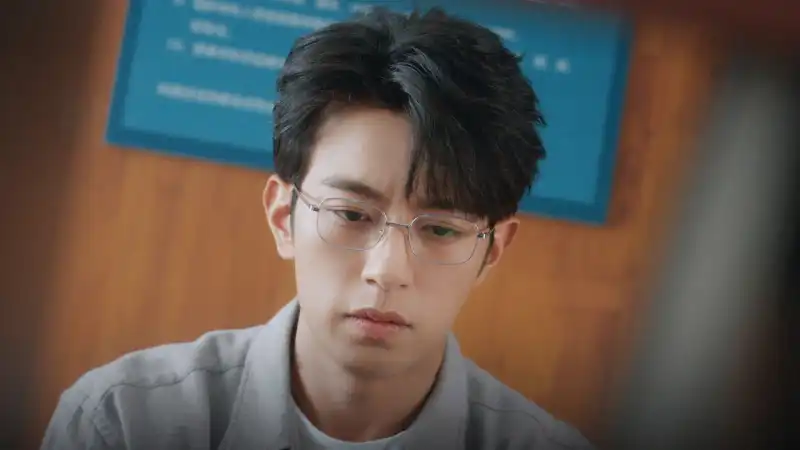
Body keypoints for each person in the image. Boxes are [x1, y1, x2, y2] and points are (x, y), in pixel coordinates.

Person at [42, 7, 593, 450]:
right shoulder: (122, 422)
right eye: (351, 215)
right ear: (284, 216)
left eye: (441, 230)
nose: (387, 270)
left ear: (491, 252)